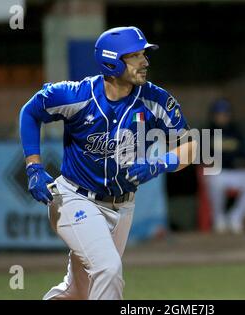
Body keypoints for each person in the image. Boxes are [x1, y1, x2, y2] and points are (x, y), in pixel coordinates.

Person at [19, 26, 196, 300]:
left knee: (78, 291)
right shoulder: (77, 95)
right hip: (74, 199)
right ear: (112, 61)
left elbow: (192, 146)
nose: (145, 62)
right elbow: (30, 112)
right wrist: (33, 166)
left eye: (144, 55)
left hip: (123, 206)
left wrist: (160, 163)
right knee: (108, 269)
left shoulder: (156, 99)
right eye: (135, 55)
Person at [205, 98, 245, 234]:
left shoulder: (237, 131)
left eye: (225, 114)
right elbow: (205, 157)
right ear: (213, 115)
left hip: (237, 172)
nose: (222, 117)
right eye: (219, 114)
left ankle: (235, 217)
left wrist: (236, 159)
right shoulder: (207, 131)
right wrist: (231, 157)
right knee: (214, 180)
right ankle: (218, 218)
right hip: (217, 172)